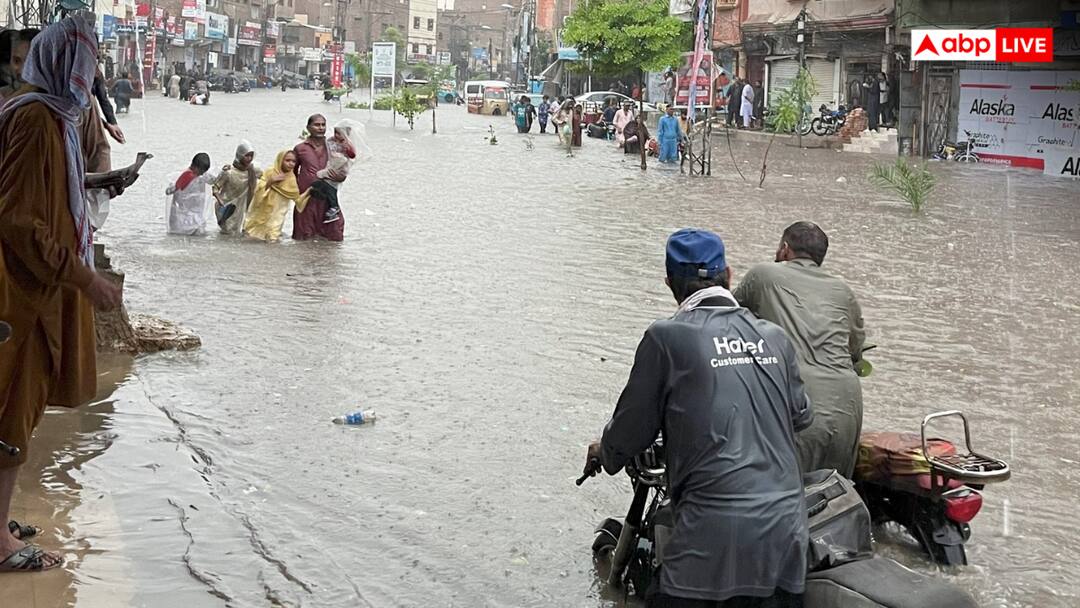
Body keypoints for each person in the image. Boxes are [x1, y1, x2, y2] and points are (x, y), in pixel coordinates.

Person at [586, 228, 811, 608]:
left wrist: (604, 452)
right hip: (786, 532)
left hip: (710, 532)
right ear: (729, 275)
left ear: (670, 283)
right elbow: (801, 415)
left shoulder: (665, 337)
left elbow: (628, 432)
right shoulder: (774, 336)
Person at [0, 13, 123, 573]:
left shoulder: (56, 120)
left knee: (19, 406)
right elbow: (22, 221)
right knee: (10, 409)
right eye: (82, 60)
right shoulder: (36, 121)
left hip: (36, 286)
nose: (87, 72)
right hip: (19, 292)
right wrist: (85, 277)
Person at [733, 221, 866, 477]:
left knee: (775, 500)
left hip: (797, 408)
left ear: (784, 249)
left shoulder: (764, 274)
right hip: (847, 409)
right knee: (835, 501)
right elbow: (855, 351)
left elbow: (723, 318)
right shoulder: (843, 290)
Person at [293, 114, 346, 241]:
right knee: (303, 236)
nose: (321, 128)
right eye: (317, 125)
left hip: (328, 198)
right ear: (308, 127)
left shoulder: (333, 147)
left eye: (323, 125)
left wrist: (341, 177)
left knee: (334, 234)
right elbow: (291, 171)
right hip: (307, 198)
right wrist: (294, 192)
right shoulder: (300, 149)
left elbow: (344, 167)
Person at [306, 120, 365, 224]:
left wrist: (346, 147)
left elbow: (351, 156)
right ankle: (324, 199)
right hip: (332, 167)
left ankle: (334, 207)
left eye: (339, 133)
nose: (336, 135)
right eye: (335, 132)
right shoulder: (331, 141)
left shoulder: (347, 144)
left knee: (330, 186)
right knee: (322, 184)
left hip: (340, 169)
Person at [243, 150, 301, 242]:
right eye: (287, 160)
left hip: (278, 213)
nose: (291, 164)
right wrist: (271, 181)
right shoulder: (270, 172)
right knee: (255, 235)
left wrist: (309, 192)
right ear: (280, 160)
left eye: (293, 161)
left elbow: (297, 197)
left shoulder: (291, 178)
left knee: (273, 237)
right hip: (263, 210)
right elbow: (258, 189)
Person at [212, 140, 261, 235]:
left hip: (241, 207)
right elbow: (215, 188)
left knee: (239, 232)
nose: (249, 158)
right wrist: (220, 201)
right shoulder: (228, 172)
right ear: (240, 155)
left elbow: (266, 178)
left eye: (251, 156)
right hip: (227, 208)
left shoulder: (253, 171)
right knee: (227, 233)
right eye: (247, 155)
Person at [166, 153, 219, 236]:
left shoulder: (202, 176)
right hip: (181, 216)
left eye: (204, 171)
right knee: (180, 238)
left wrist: (223, 172)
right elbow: (168, 191)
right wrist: (176, 186)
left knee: (198, 238)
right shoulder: (184, 176)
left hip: (197, 216)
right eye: (201, 171)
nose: (202, 173)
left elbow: (215, 180)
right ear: (195, 167)